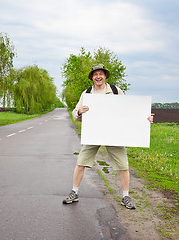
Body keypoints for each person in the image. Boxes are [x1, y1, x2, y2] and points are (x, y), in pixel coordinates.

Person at [62, 63, 154, 209]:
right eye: (95, 74)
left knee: (123, 165)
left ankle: (125, 196)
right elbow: (75, 114)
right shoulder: (87, 93)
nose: (98, 77)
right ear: (92, 77)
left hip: (114, 134)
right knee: (81, 162)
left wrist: (145, 118)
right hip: (93, 134)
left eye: (101, 74)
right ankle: (74, 192)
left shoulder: (116, 91)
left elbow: (129, 110)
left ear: (105, 76)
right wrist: (80, 112)